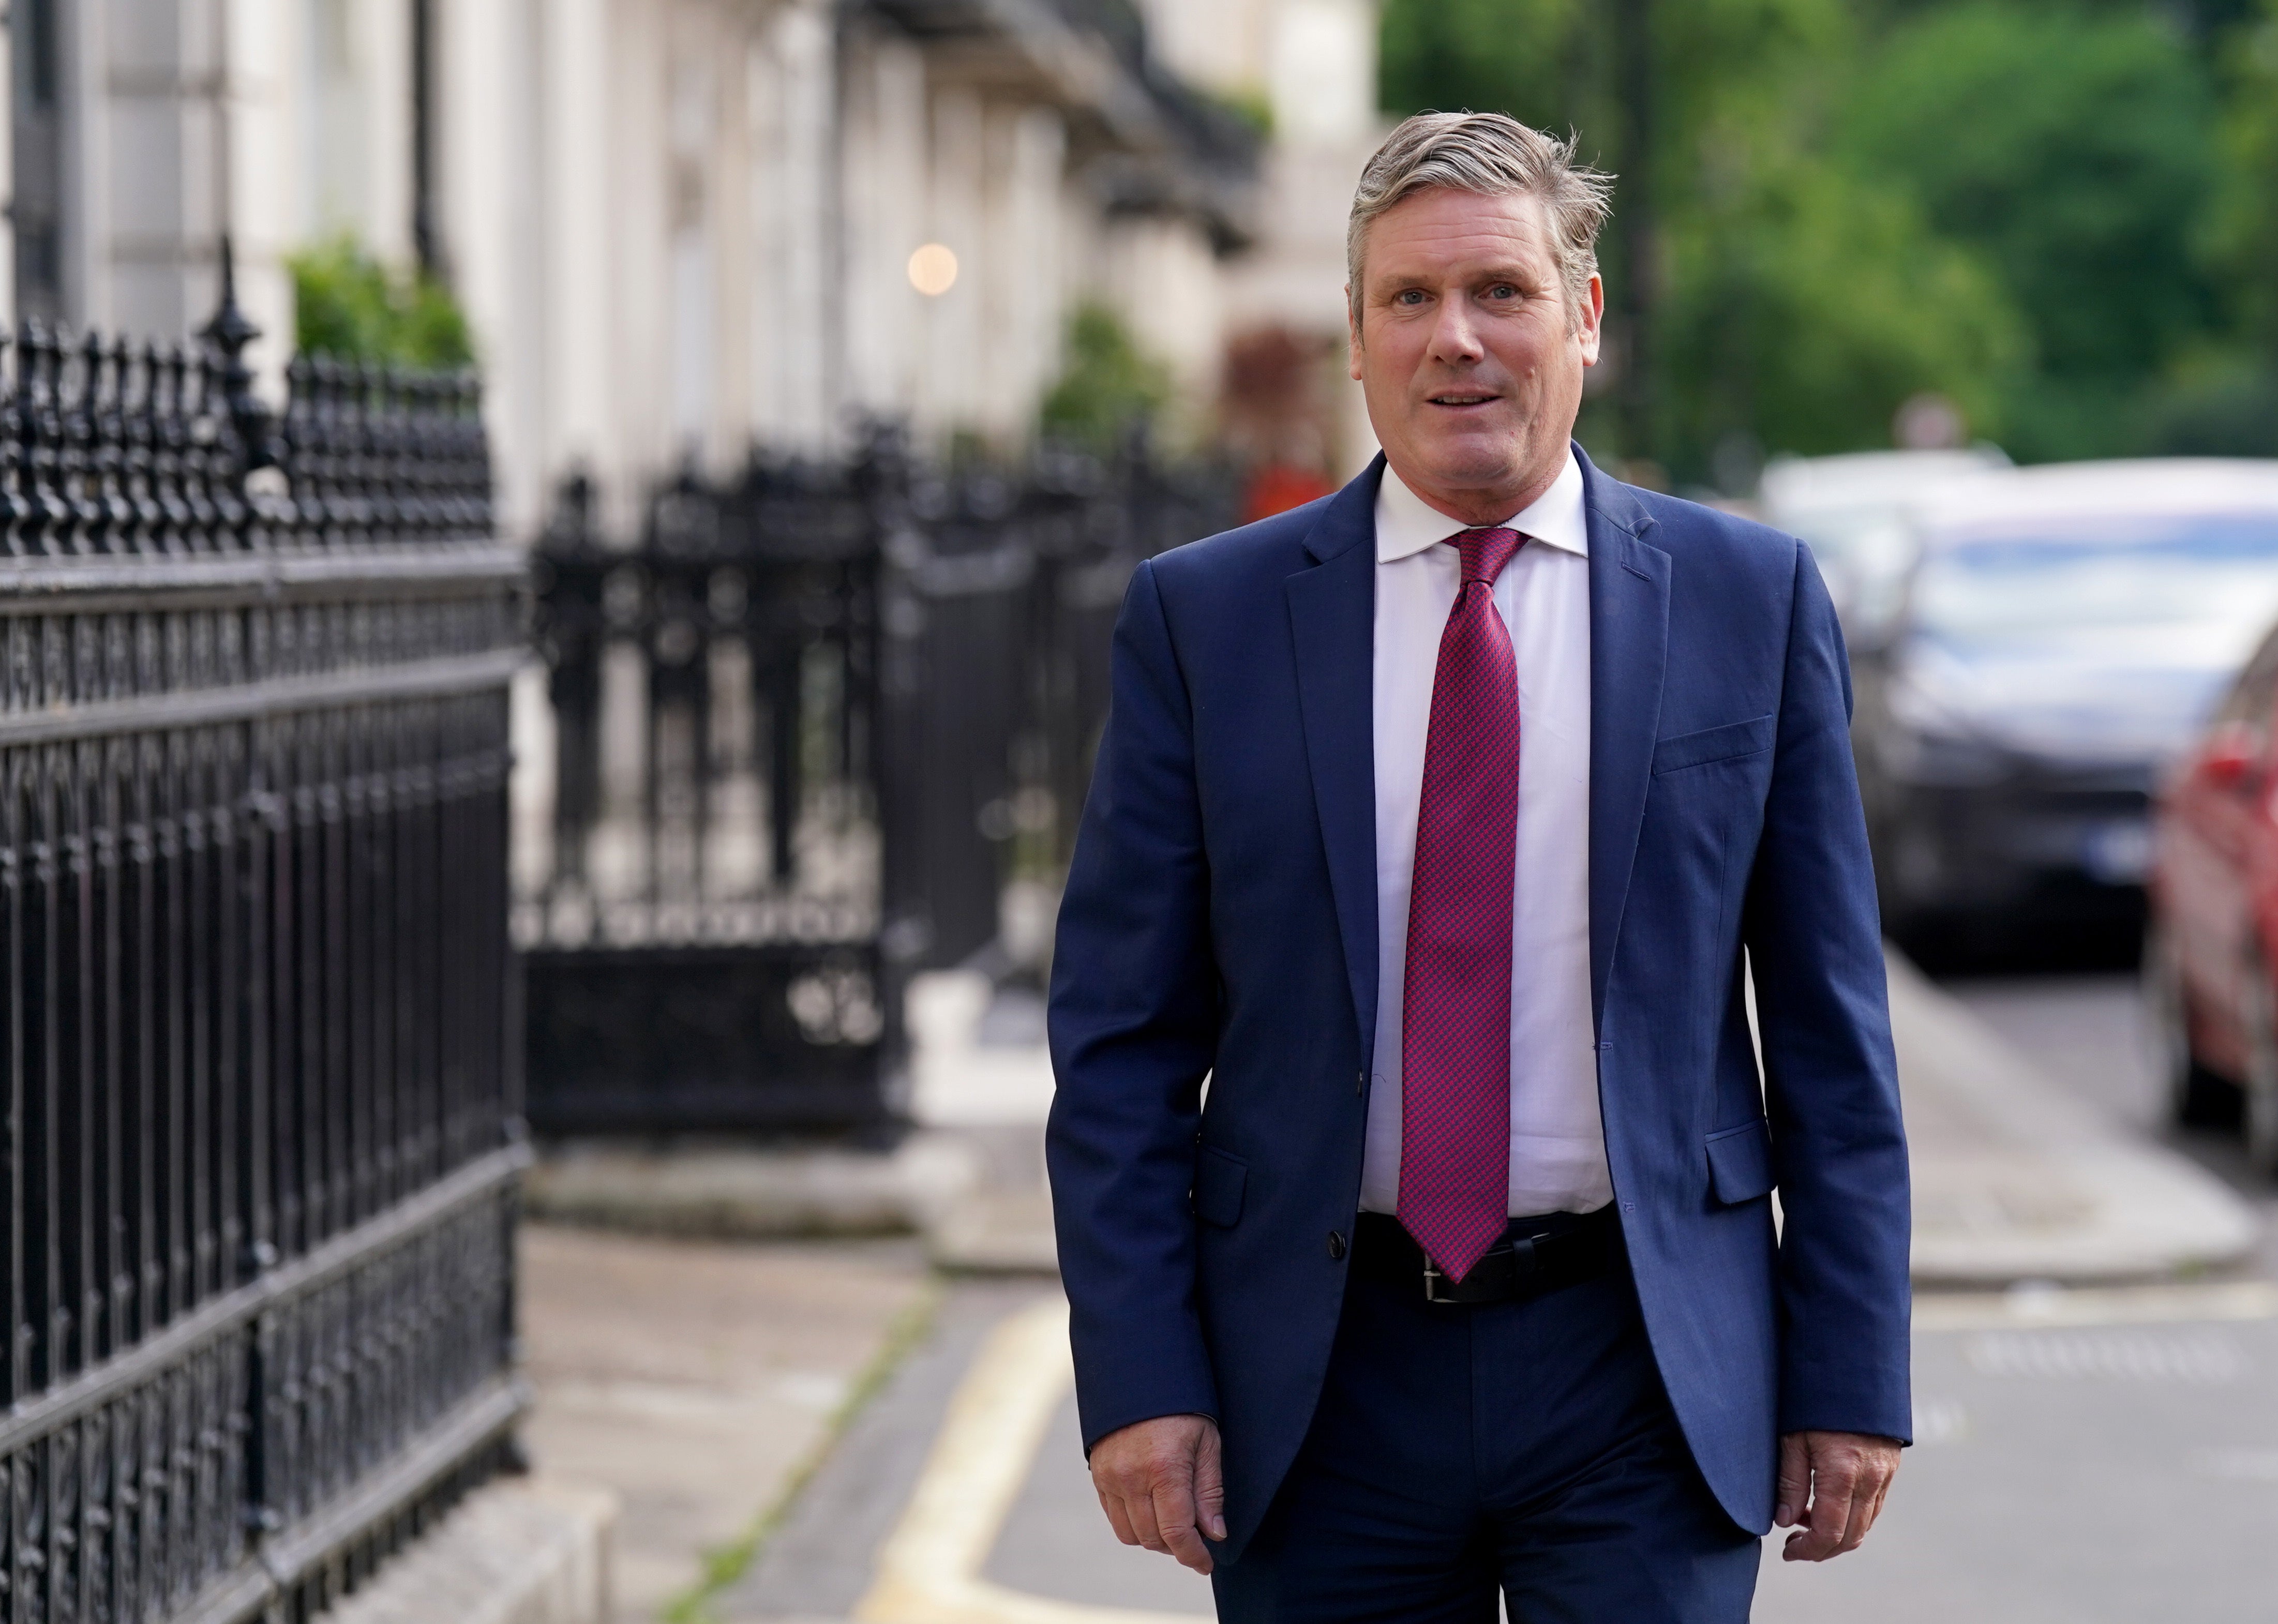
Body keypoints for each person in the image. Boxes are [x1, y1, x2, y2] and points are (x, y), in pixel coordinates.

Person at [1045, 112, 1910, 1623]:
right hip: (1315, 1382)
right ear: (1357, 339)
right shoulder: (1207, 622)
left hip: (1640, 1368)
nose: (1456, 340)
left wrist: (1849, 1370)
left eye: (1499, 292)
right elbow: (1120, 1042)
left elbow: (1832, 1032)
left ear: (1582, 317)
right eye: (1409, 299)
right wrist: (1137, 1376)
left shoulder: (1746, 600)